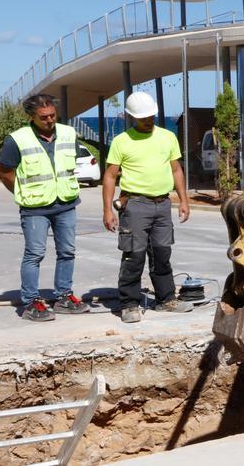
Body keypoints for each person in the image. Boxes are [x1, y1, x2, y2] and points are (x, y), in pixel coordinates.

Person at [0, 94, 89, 322]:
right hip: (35, 208)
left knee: (67, 252)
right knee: (34, 254)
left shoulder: (68, 134)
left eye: (52, 116)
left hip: (66, 203)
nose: (49, 120)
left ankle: (64, 297)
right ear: (31, 117)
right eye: (43, 117)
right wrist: (23, 194)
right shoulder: (17, 140)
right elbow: (5, 173)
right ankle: (31, 302)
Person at [102, 92, 192, 323]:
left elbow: (176, 170)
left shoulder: (167, 137)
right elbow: (110, 176)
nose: (148, 120)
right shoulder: (122, 141)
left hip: (162, 204)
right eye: (143, 117)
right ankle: (129, 303)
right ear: (131, 117)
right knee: (134, 254)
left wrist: (183, 200)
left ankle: (166, 299)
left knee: (162, 253)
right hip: (135, 205)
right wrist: (107, 210)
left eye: (151, 116)